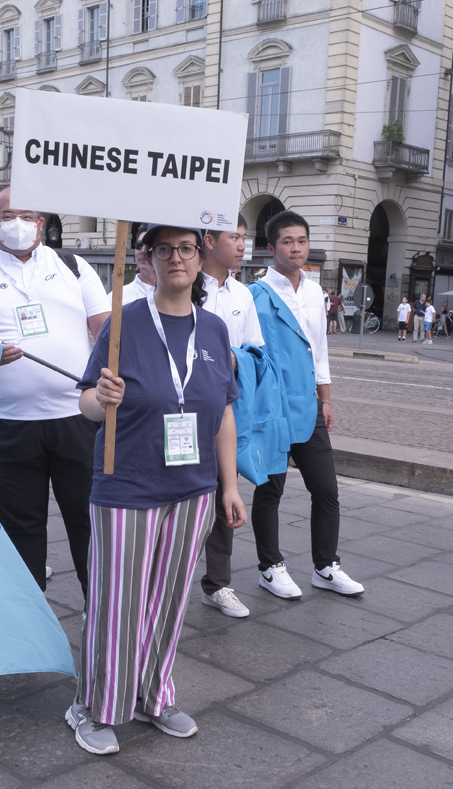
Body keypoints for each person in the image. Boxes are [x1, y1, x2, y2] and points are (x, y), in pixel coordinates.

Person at [68, 222, 245, 755]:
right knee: (116, 604)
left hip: (192, 490)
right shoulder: (123, 324)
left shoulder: (213, 329)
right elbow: (87, 407)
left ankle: (153, 695)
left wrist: (229, 486)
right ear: (146, 259)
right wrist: (104, 397)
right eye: (162, 249)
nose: (175, 258)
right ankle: (94, 707)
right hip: (128, 486)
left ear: (200, 257)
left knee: (169, 601)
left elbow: (224, 411)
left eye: (185, 248)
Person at [0, 188, 110, 595]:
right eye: (8, 215)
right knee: (20, 527)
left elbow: (106, 331)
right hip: (8, 424)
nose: (18, 224)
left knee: (88, 521)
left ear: (41, 223)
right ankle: (32, 622)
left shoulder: (74, 266)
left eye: (27, 215)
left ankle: (101, 612)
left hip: (76, 418)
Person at [248, 210, 363, 600]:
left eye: (301, 241)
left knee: (327, 489)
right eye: (286, 241)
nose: (295, 248)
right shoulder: (255, 295)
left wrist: (326, 399)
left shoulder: (315, 292)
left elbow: (320, 350)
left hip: (308, 403)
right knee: (271, 490)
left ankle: (326, 566)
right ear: (271, 248)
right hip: (272, 407)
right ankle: (270, 567)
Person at [198, 214, 263, 619]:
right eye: (233, 237)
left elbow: (257, 351)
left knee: (227, 495)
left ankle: (217, 584)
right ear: (208, 240)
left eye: (244, 238)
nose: (242, 245)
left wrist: (238, 360)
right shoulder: (184, 286)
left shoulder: (243, 294)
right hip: (182, 411)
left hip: (225, 410)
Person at [120, 238, 156, 304]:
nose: (143, 250)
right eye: (139, 245)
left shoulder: (177, 296)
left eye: (149, 246)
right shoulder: (118, 297)